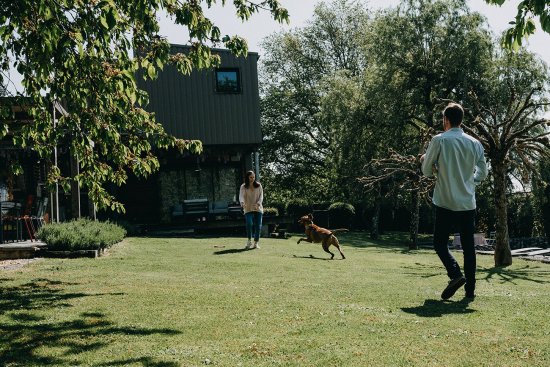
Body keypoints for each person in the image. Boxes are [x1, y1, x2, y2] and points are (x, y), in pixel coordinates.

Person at [421, 103, 488, 300]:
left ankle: (455, 274)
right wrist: (470, 181)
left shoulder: (439, 140)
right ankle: (470, 291)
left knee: (440, 243)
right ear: (461, 120)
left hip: (445, 201)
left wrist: (428, 162)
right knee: (469, 248)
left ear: (446, 120)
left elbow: (425, 170)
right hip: (467, 203)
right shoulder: (475, 143)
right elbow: (483, 173)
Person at [239, 170, 264, 249]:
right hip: (248, 208)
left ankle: (256, 243)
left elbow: (261, 196)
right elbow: (241, 196)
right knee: (249, 223)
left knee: (258, 226)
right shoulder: (243, 186)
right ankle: (249, 241)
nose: (252, 179)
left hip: (257, 208)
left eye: (253, 177)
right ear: (247, 177)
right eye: (251, 177)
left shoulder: (259, 185)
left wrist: (258, 203)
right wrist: (242, 203)